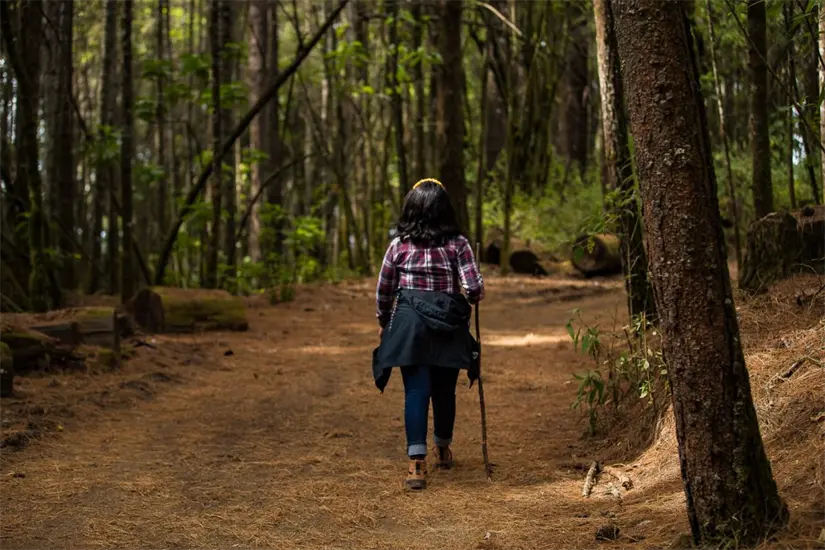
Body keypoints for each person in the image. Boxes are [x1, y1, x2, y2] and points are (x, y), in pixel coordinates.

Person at [372, 178, 485, 491]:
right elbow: (473, 289)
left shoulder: (399, 246)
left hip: (410, 326)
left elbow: (384, 289)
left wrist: (383, 320)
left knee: (416, 391)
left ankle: (417, 463)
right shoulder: (458, 244)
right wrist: (475, 291)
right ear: (445, 211)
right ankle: (443, 448)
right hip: (448, 324)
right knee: (444, 390)